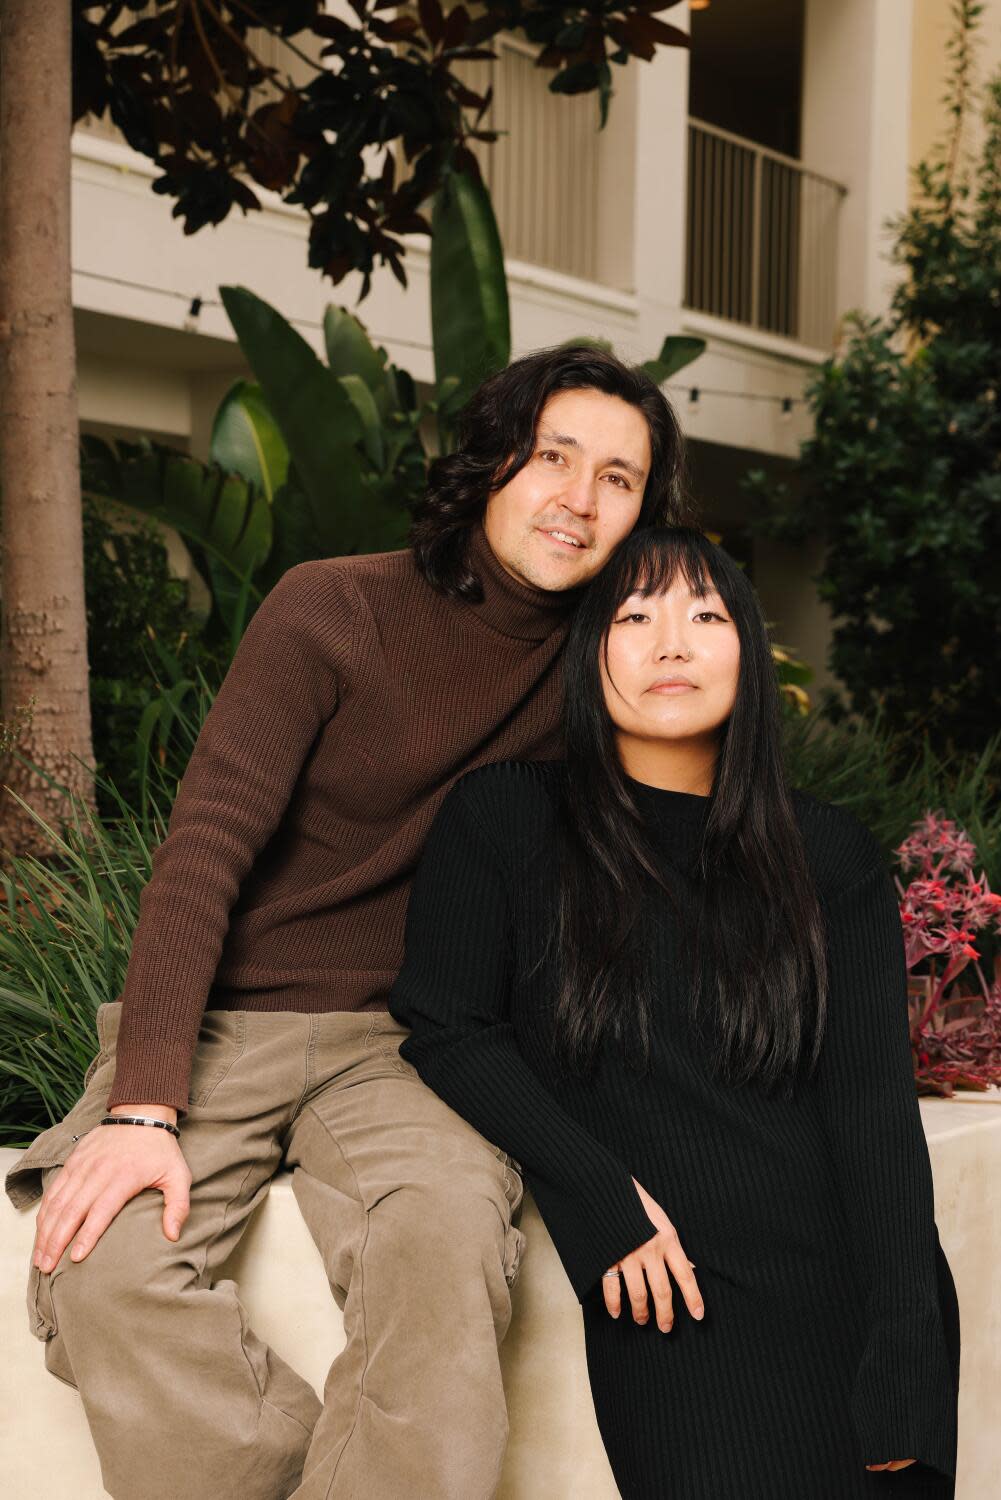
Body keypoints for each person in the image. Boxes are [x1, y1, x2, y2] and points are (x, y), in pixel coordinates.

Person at [5, 345, 688, 1500]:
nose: (578, 498)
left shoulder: (607, 674)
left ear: (641, 517)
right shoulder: (334, 604)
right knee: (101, 1270)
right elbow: (203, 847)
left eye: (618, 479)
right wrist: (140, 1102)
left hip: (415, 1049)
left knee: (444, 1247)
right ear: (491, 465)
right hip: (228, 1020)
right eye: (554, 456)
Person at [389, 525, 961, 1500]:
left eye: (706, 614)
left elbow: (870, 1115)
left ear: (745, 648)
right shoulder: (505, 819)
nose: (671, 642)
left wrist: (904, 1349)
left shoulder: (827, 855)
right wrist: (596, 1195)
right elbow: (446, 1025)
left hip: (846, 1303)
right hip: (669, 1298)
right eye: (634, 614)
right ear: (588, 653)